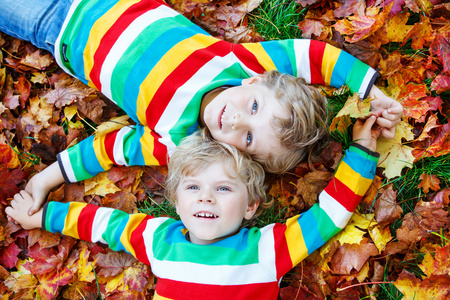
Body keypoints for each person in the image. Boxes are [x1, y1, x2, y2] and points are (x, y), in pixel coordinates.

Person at [0, 0, 402, 216]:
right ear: (255, 82)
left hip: (57, 24)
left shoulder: (176, 140)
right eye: (255, 106)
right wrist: (371, 89)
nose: (238, 118)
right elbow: (310, 55)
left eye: (247, 137)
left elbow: (107, 150)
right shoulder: (238, 63)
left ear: (237, 154)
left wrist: (46, 180)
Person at [6, 113, 382, 299]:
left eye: (223, 188)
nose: (206, 197)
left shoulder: (267, 249)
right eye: (193, 187)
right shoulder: (159, 239)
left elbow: (329, 214)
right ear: (177, 200)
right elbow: (101, 223)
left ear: (251, 206)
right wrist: (41, 216)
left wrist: (363, 150)